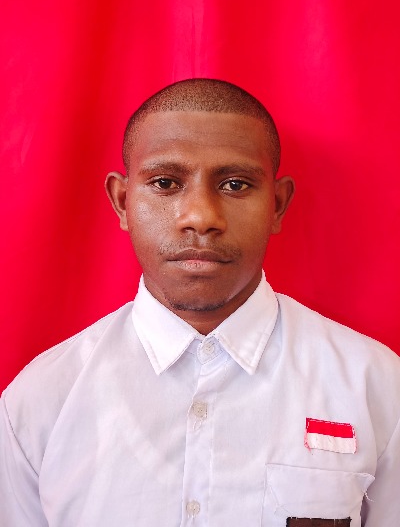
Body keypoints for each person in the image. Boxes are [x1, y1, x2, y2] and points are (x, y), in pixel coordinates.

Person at [1, 78, 399, 527]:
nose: (201, 217)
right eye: (165, 182)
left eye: (235, 184)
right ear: (123, 202)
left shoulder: (376, 386)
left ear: (277, 205)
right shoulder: (39, 401)